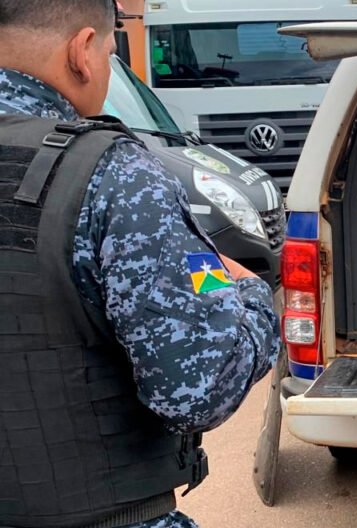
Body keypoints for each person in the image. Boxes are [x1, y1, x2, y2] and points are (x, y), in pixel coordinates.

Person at [0, 2, 279, 527]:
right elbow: (196, 388)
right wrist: (251, 297)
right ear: (82, 52)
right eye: (111, 52)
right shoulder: (115, 176)